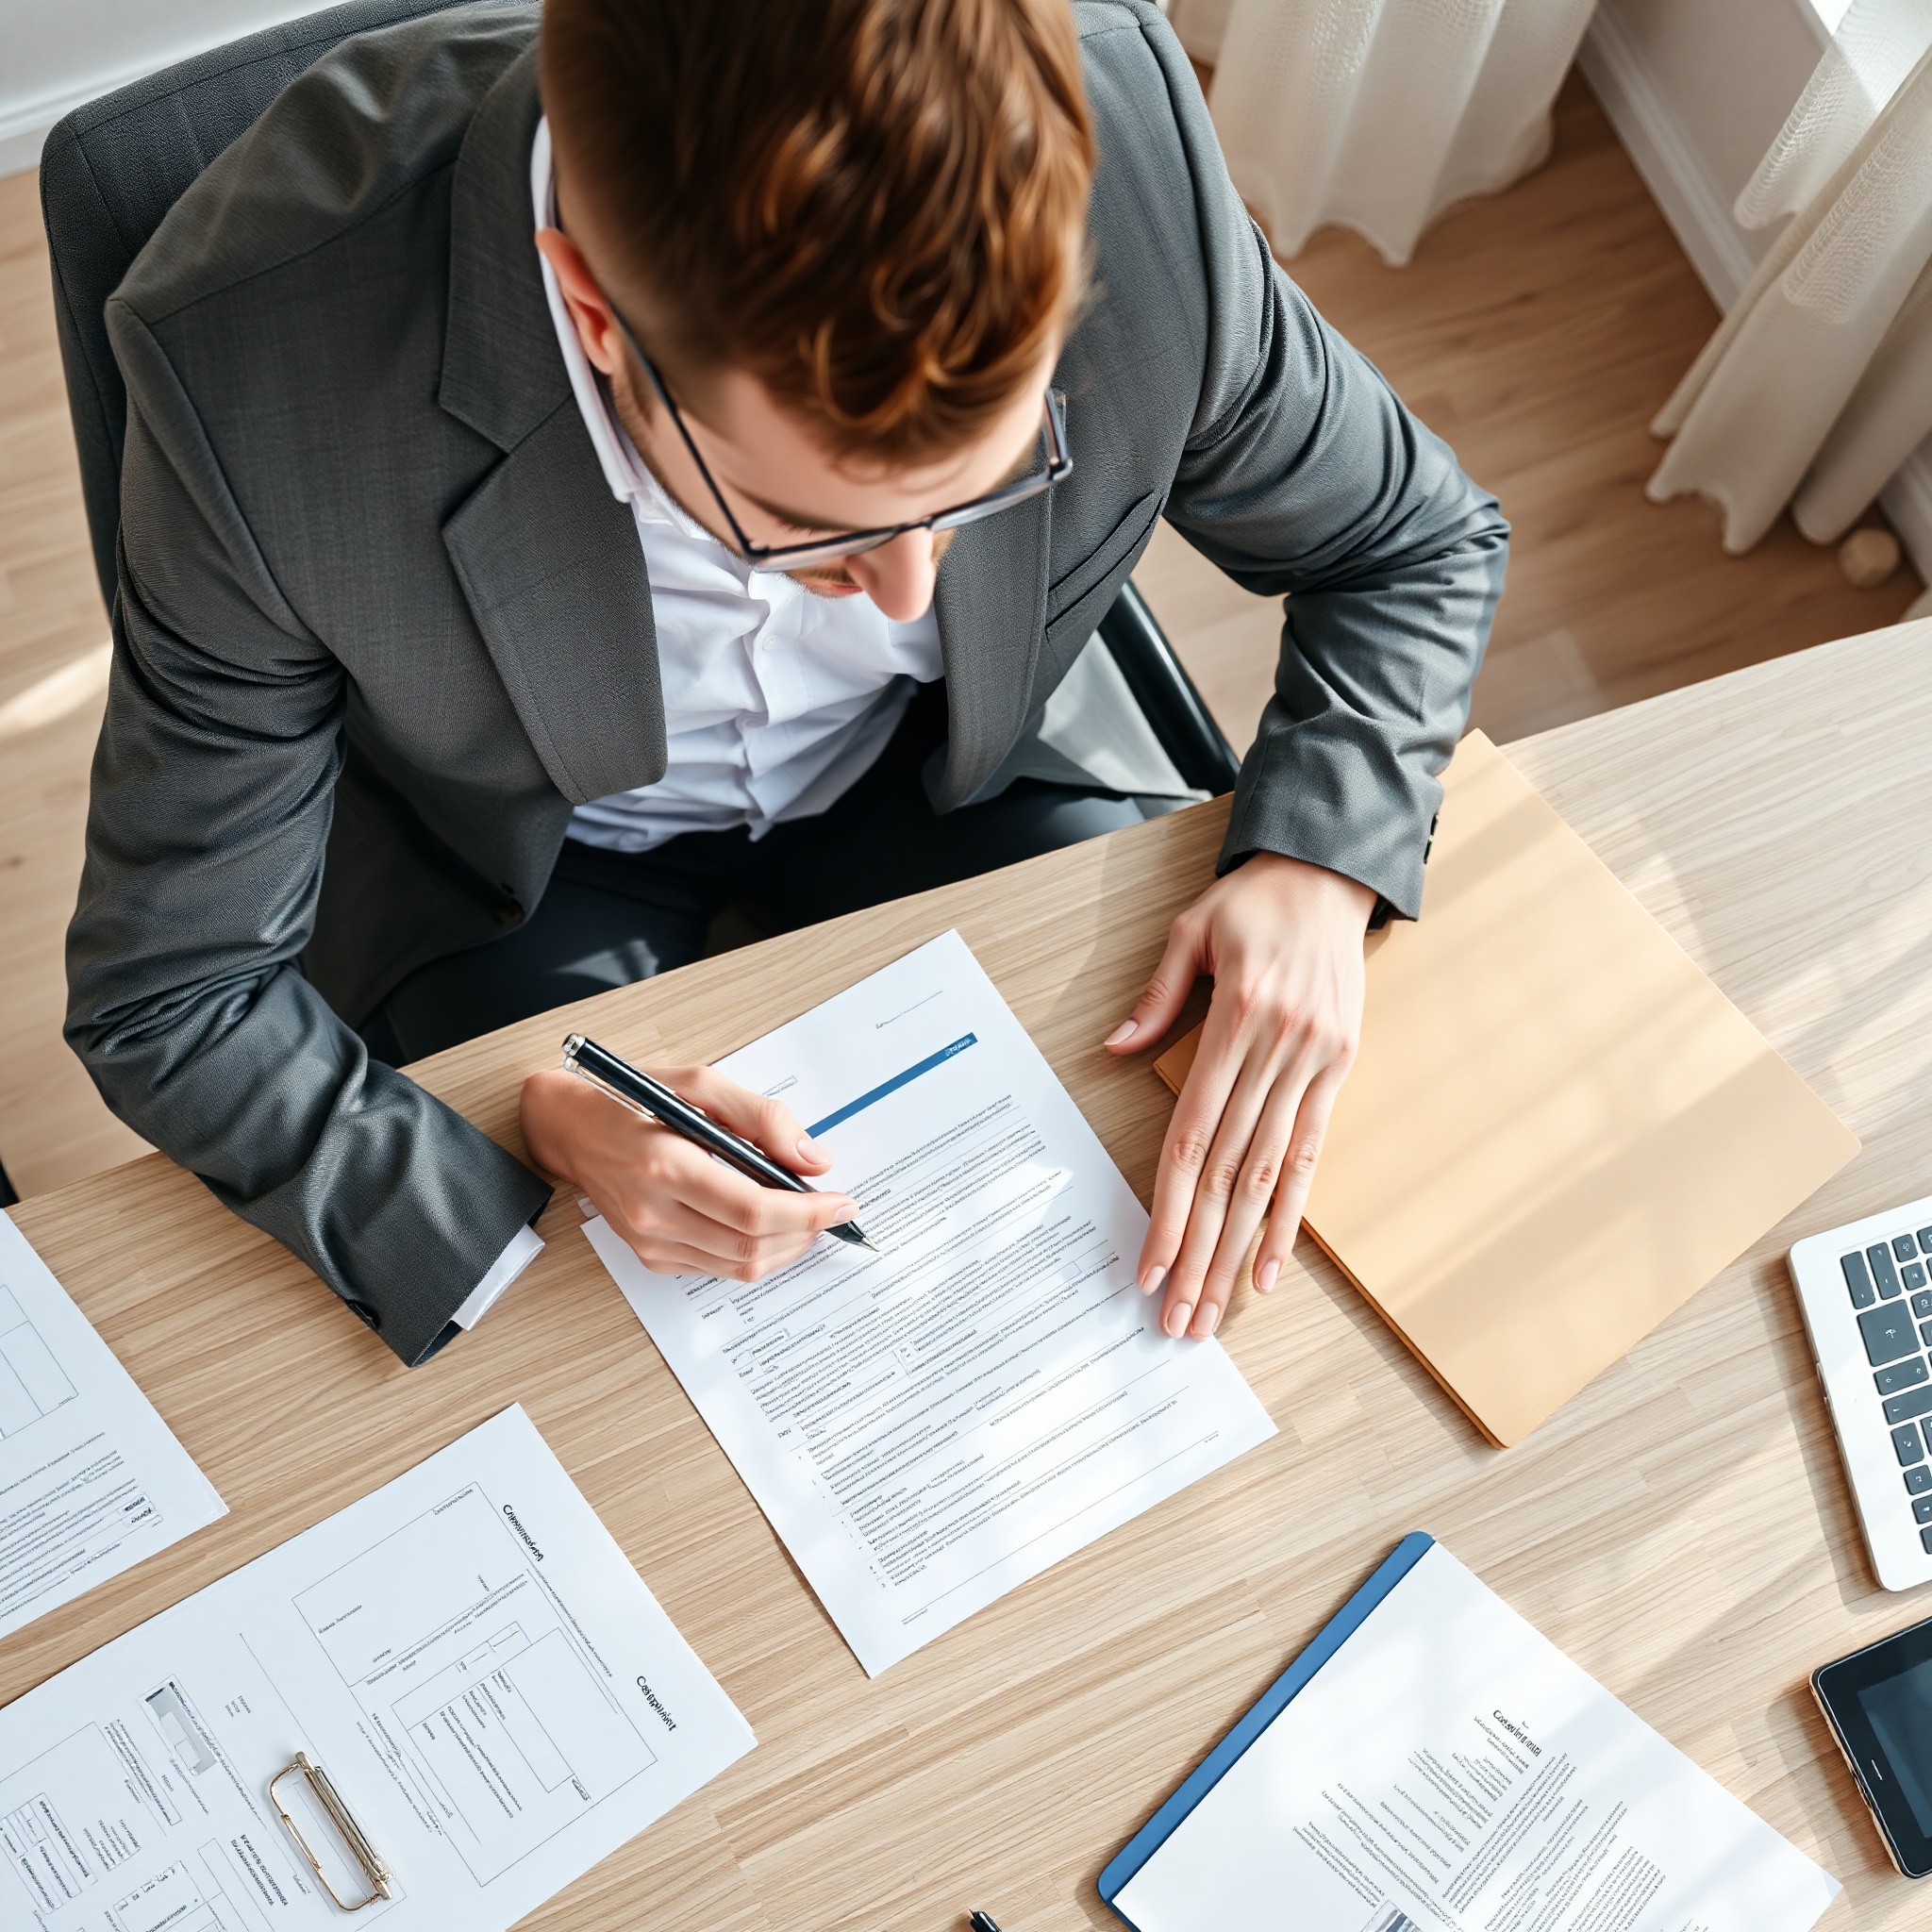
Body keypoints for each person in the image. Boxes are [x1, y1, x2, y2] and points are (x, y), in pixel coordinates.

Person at [66, 0, 1507, 1368]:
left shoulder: (1135, 149)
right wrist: (522, 1132)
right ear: (594, 311)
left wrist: (1320, 859)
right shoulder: (253, 382)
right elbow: (172, 990)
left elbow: (1415, 540)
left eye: (996, 481)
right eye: (819, 535)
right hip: (516, 863)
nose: (911, 592)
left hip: (959, 767)